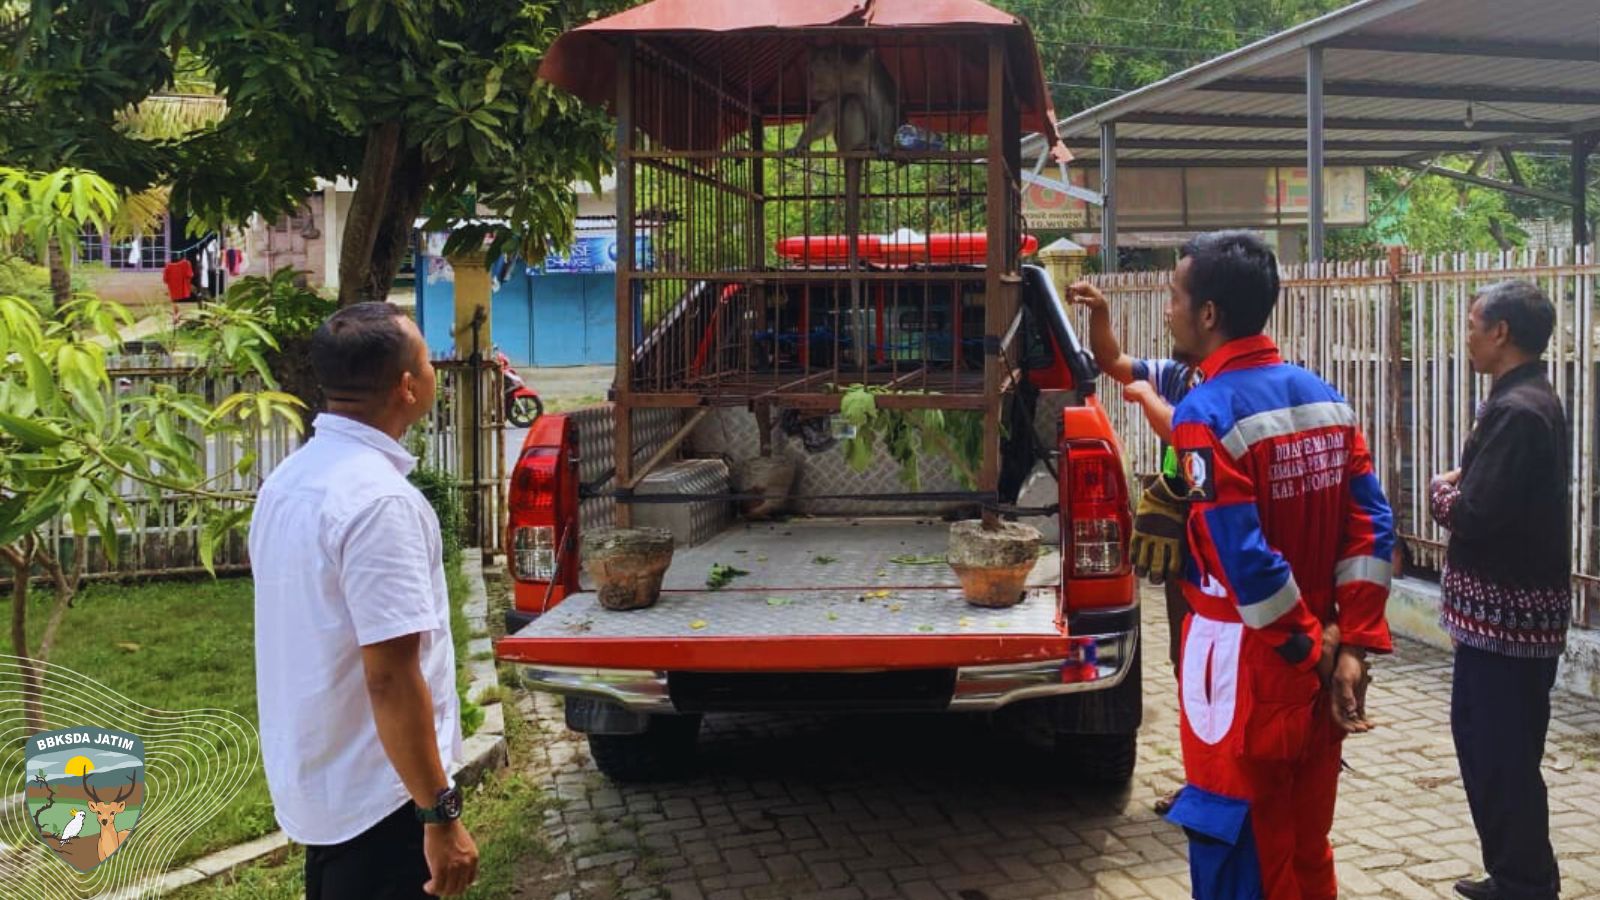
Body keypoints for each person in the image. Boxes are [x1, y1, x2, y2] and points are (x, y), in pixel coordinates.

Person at [1160, 231, 1395, 900]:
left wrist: (1306, 648)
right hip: (1320, 654)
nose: (1167, 309)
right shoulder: (1325, 397)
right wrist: (1350, 644)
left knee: (1239, 845)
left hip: (1248, 663)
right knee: (1305, 837)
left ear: (1208, 314)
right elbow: (1370, 527)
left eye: (1174, 296)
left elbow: (1244, 558)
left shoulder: (1205, 412)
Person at [250, 303, 479, 899]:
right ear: (408, 387)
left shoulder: (290, 480)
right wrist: (439, 813)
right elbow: (392, 677)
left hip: (325, 784)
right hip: (383, 799)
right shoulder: (380, 503)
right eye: (427, 361)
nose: (432, 372)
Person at [1429, 281, 1569, 900]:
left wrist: (1441, 492)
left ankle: (1524, 883)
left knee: (1498, 755)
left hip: (1507, 627)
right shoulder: (1524, 398)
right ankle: (1519, 874)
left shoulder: (1518, 409)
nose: (1468, 337)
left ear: (1501, 333)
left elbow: (1477, 512)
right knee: (1500, 753)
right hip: (1508, 622)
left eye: (1471, 325)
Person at [1067, 279, 1200, 815]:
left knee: (1214, 666)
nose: (1167, 312)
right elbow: (1113, 360)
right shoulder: (1179, 374)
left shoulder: (1217, 386)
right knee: (1187, 661)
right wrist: (1099, 313)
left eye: (1175, 301)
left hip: (1215, 545)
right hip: (1183, 545)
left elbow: (1189, 436)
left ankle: (1220, 785)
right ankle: (1203, 779)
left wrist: (1147, 401)